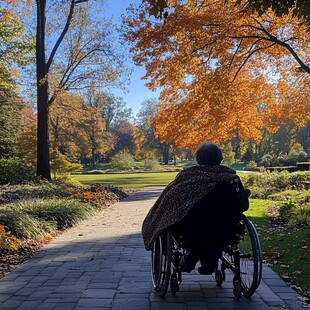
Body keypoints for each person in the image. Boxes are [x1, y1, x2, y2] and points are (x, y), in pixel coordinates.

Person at [142, 141, 250, 274]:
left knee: (197, 229)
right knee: (215, 232)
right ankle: (207, 263)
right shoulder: (231, 178)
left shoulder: (187, 177)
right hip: (226, 230)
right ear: (220, 158)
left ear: (198, 159)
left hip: (190, 231)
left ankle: (192, 259)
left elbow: (171, 201)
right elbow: (243, 206)